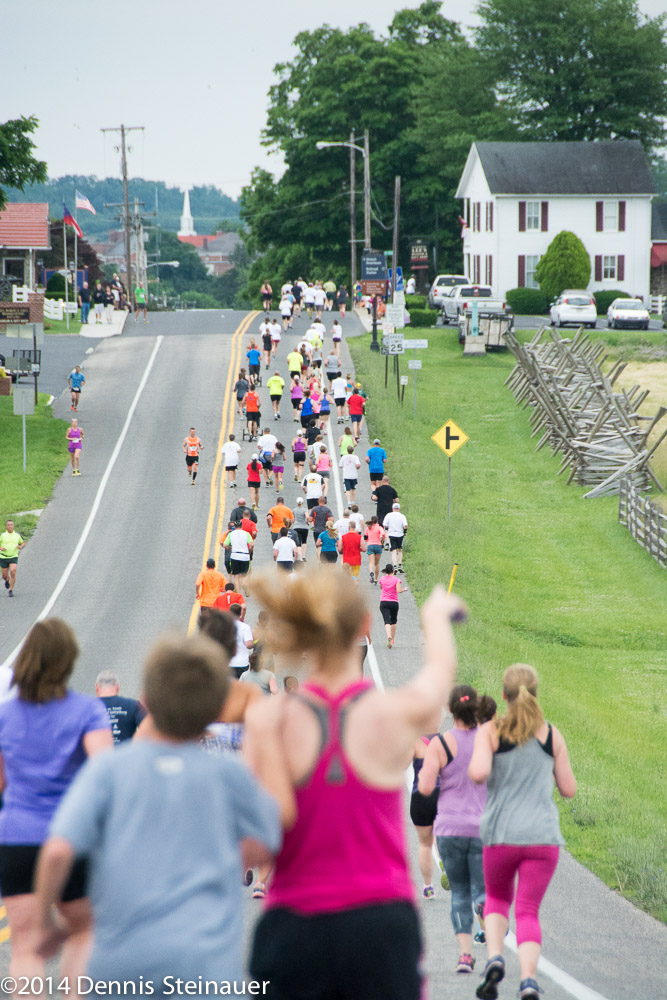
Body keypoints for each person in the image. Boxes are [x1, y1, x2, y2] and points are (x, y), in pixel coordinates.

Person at [246, 566, 463, 1000]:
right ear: (363, 628)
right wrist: (437, 618)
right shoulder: (390, 714)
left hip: (294, 924)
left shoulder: (269, 720)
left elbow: (258, 839)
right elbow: (438, 680)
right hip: (380, 923)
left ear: (304, 640)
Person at [34, 632, 284, 988]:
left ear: (146, 702)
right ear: (213, 706)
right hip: (201, 957)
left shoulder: (108, 771)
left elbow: (59, 849)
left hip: (119, 956)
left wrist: (46, 922)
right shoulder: (229, 774)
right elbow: (266, 841)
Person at [0, 620, 112, 987]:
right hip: (71, 837)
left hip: (16, 840)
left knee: (25, 947)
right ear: (68, 660)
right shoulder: (88, 712)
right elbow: (103, 774)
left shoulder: (5, 715)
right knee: (82, 932)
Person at [469, 665, 577, 1000]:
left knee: (498, 899)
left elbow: (477, 773)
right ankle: (528, 979)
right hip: (542, 837)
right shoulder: (551, 735)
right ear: (536, 693)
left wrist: (485, 745)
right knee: (528, 910)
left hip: (501, 834)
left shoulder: (492, 732)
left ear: (503, 695)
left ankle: (494, 959)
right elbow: (569, 789)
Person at [419, 686, 489, 974]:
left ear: (450, 710)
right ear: (476, 709)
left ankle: (464, 956)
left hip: (449, 828)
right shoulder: (488, 741)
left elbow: (424, 787)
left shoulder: (440, 744)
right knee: (483, 891)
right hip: (483, 827)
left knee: (459, 892)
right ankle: (491, 934)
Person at [95, 671, 146, 744]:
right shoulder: (133, 705)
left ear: (97, 688)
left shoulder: (88, 708)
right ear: (117, 687)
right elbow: (150, 727)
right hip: (127, 754)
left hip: (98, 754)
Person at [379, 564, 408, 648]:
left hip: (384, 602)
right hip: (394, 602)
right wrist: (404, 589)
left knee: (386, 621)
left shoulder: (382, 579)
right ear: (393, 571)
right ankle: (392, 639)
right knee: (394, 621)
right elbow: (399, 590)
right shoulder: (396, 580)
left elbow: (381, 587)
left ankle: (388, 636)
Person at [224, 521, 255, 594]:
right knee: (244, 575)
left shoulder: (231, 534)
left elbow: (225, 545)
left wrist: (230, 548)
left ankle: (238, 593)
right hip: (245, 556)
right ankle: (244, 585)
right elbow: (252, 544)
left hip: (235, 555)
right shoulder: (246, 534)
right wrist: (249, 551)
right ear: (242, 526)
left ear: (234, 526)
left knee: (236, 576)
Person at [228, 603, 255, 678]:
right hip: (242, 663)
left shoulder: (225, 625)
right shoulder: (245, 627)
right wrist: (254, 643)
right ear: (240, 614)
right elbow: (249, 645)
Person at [1, 520, 26, 599]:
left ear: (13, 526)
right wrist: (1, 548)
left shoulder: (17, 535)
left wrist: (21, 546)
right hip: (3, 557)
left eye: (11, 525)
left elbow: (23, 542)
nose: (10, 526)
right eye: (8, 525)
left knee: (13, 571)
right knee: (4, 575)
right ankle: (7, 580)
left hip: (13, 556)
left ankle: (11, 590)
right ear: (6, 526)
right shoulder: (2, 535)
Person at [383, 502, 408, 571]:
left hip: (392, 534)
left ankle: (395, 565)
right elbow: (405, 525)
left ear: (392, 508)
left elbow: (385, 524)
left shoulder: (389, 515)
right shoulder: (402, 516)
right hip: (400, 534)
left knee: (393, 550)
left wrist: (388, 528)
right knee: (400, 550)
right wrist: (405, 532)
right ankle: (400, 564)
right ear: (399, 509)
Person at [364, 515, 385, 584]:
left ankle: (371, 573)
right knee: (377, 563)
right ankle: (376, 579)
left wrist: (368, 540)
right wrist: (382, 540)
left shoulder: (368, 528)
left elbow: (365, 537)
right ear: (377, 520)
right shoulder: (379, 527)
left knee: (371, 562)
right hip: (378, 545)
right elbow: (383, 534)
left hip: (370, 545)